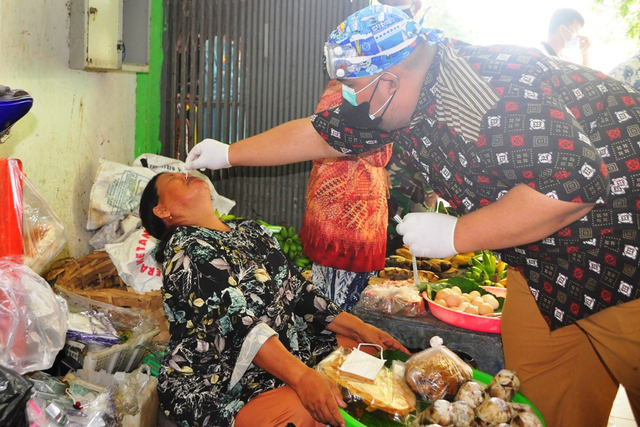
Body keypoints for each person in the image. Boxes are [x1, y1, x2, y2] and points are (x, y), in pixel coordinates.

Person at [184, 5, 640, 426]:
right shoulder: (398, 98)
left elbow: (576, 184)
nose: (348, 101)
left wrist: (458, 234)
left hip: (624, 257)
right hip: (546, 271)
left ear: (391, 81)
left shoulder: (482, 94)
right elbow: (322, 135)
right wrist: (230, 153)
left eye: (353, 89)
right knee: (537, 402)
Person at [139, 171, 409, 427]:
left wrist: (363, 329)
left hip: (288, 350)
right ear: (162, 211)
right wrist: (303, 378)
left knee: (366, 351)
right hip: (224, 378)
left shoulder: (250, 230)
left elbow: (300, 290)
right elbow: (240, 327)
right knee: (301, 412)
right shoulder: (187, 250)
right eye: (172, 179)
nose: (183, 174)